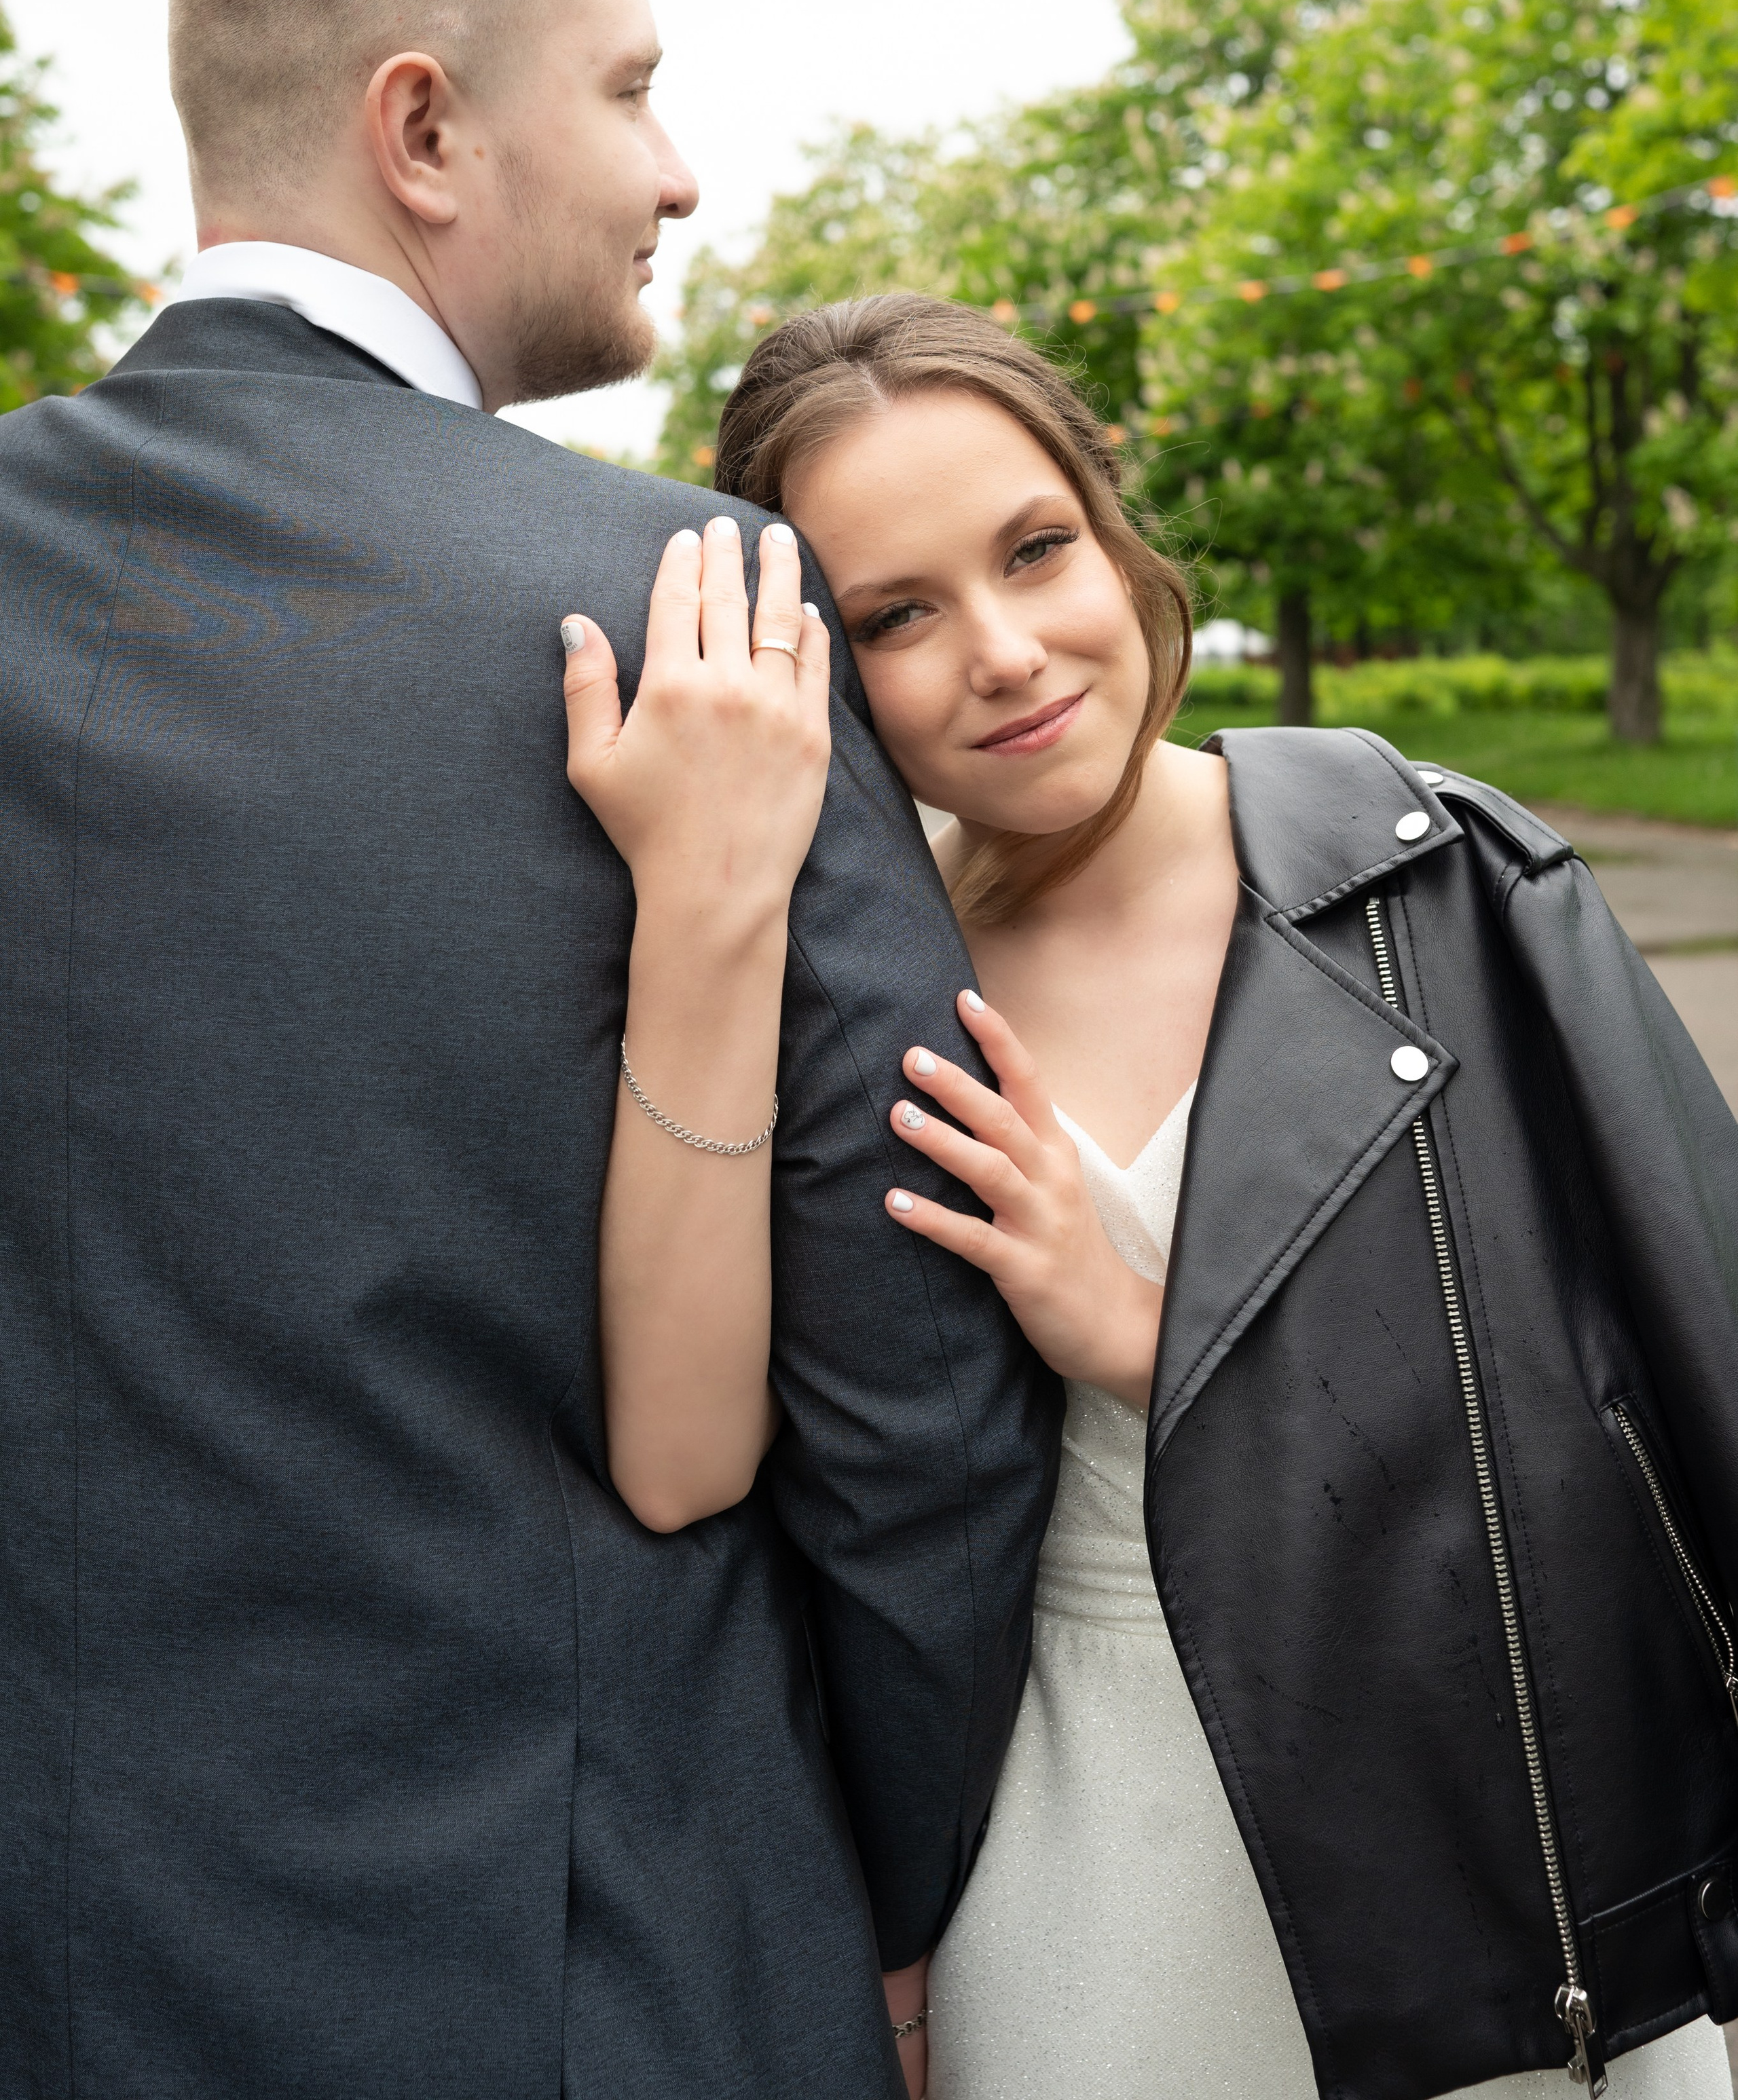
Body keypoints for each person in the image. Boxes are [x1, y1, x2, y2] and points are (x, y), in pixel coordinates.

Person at [0, 0, 1057, 2099]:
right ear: (425, 131)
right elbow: (913, 1410)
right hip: (597, 1966)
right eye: (634, 86)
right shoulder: (694, 616)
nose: (678, 168)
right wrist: (888, 1900)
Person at [566, 288, 1738, 2100]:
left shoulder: (1443, 885)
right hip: (1080, 1862)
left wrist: (1150, 1340)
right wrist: (697, 911)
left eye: (1037, 551)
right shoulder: (856, 987)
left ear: (1114, 525)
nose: (1009, 652)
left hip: (1480, 1825)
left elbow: (1650, 1408)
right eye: (898, 615)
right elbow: (679, 1459)